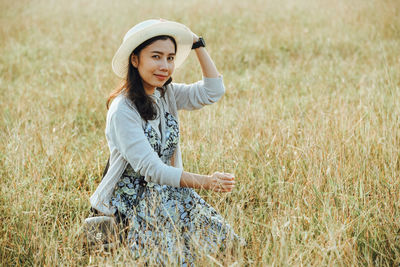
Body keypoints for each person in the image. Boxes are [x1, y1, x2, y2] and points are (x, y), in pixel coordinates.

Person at [88, 19, 244, 265]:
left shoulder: (165, 93)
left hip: (172, 192)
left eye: (170, 58)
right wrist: (207, 182)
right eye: (156, 57)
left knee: (230, 248)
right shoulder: (122, 110)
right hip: (134, 203)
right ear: (135, 60)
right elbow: (152, 169)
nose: (165, 66)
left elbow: (213, 91)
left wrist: (197, 44)